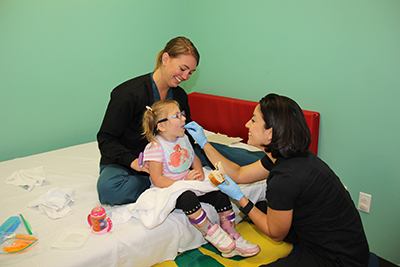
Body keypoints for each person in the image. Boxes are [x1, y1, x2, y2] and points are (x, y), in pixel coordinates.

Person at [185, 93, 370, 266]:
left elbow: (275, 234)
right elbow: (239, 173)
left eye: (253, 120)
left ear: (270, 133)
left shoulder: (285, 178)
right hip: (342, 239)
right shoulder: (288, 155)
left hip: (339, 258)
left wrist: (240, 197)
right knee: (263, 208)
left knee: (259, 214)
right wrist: (204, 143)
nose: (247, 124)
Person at [141, 99, 260, 258]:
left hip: (188, 182)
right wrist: (183, 184)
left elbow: (193, 158)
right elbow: (157, 179)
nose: (184, 118)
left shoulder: (183, 138)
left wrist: (199, 173)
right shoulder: (155, 147)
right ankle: (212, 234)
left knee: (220, 195)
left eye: (182, 114)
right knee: (188, 198)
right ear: (162, 126)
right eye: (177, 116)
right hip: (169, 188)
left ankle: (231, 234)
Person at [97, 36, 199, 206]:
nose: (186, 76)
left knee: (214, 154)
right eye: (183, 68)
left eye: (190, 72)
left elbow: (186, 132)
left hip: (170, 157)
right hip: (129, 161)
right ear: (165, 59)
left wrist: (194, 157)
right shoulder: (128, 94)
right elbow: (106, 139)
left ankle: (165, 181)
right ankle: (160, 182)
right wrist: (133, 162)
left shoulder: (180, 96)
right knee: (110, 189)